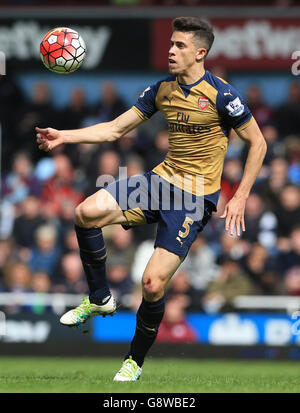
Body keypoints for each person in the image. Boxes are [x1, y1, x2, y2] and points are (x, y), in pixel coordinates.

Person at [35, 17, 266, 381]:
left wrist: (239, 197)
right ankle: (99, 299)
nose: (171, 51)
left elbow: (259, 142)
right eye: (170, 44)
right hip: (159, 182)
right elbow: (114, 129)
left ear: (200, 53)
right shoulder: (161, 90)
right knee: (85, 212)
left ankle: (134, 362)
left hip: (194, 198)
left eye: (180, 46)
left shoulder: (223, 95)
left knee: (152, 284)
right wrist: (64, 136)